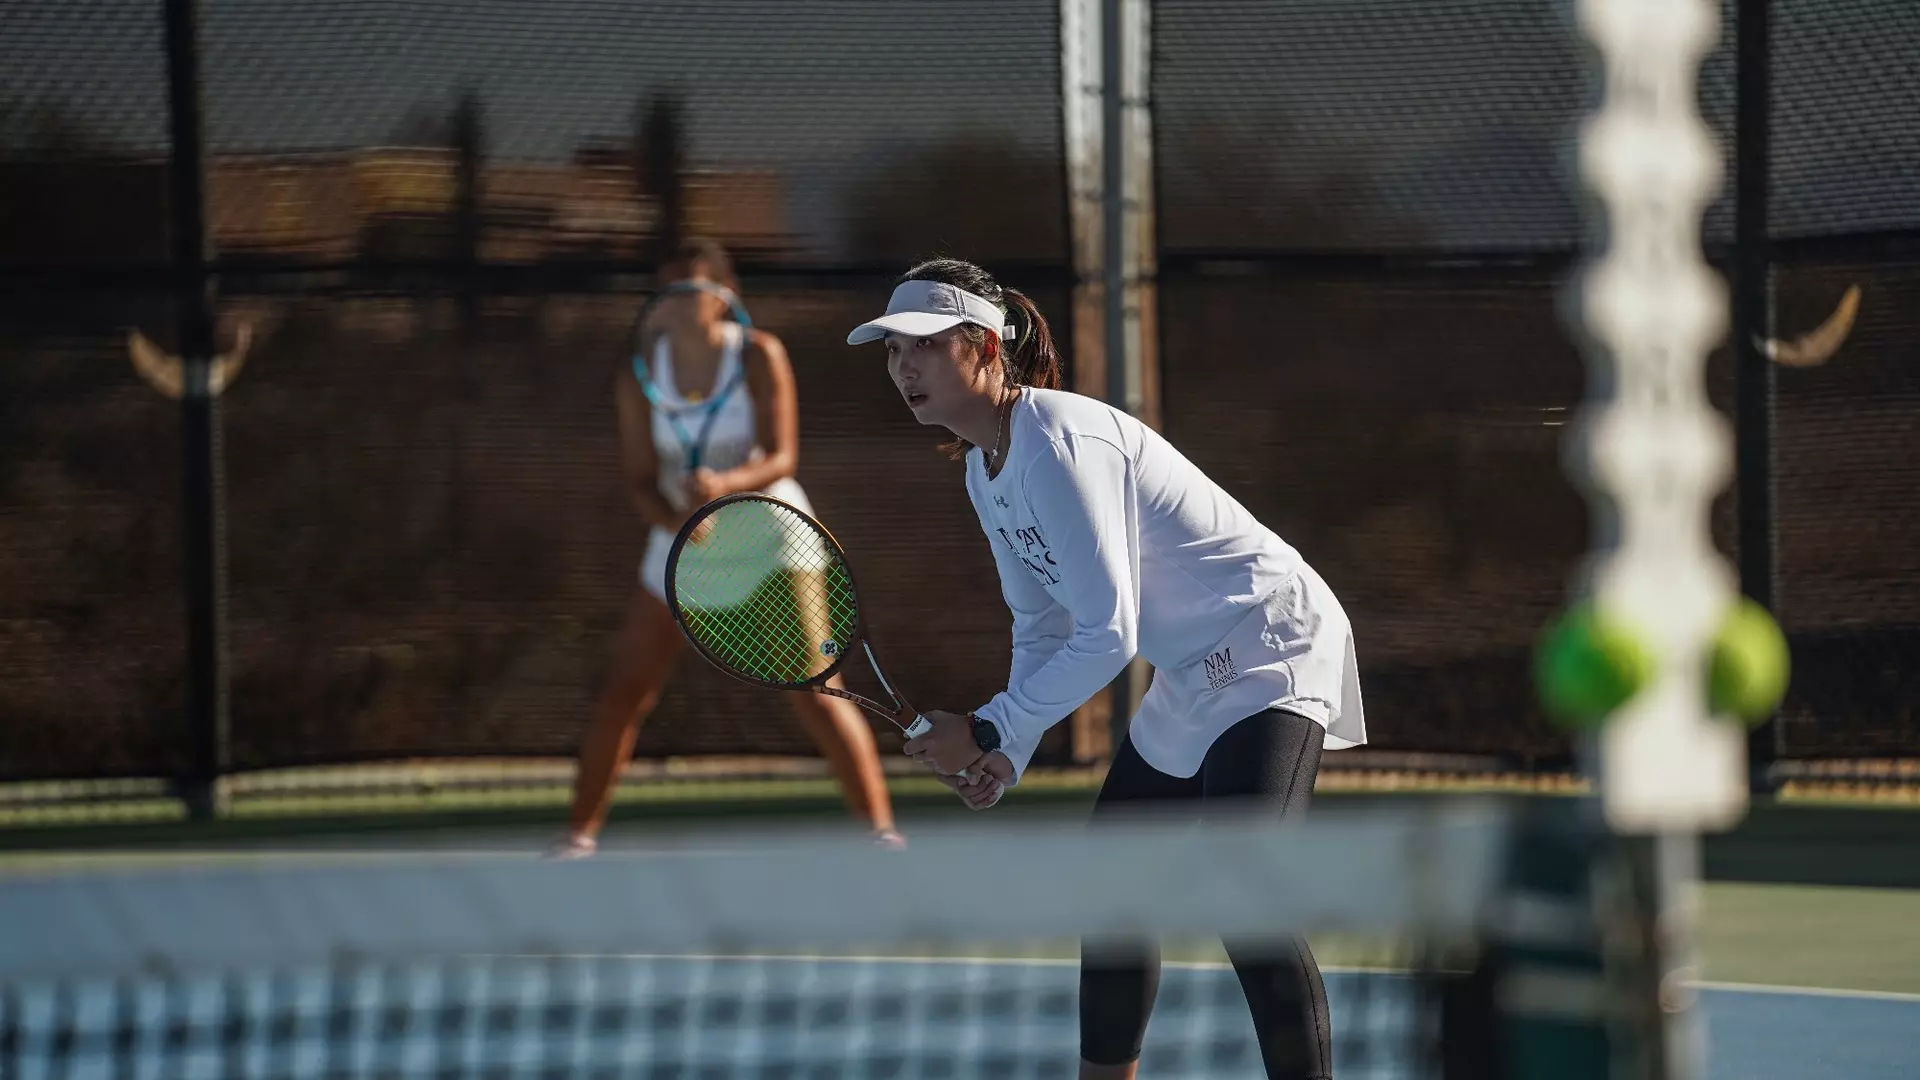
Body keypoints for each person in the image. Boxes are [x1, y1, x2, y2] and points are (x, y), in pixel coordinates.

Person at [845, 258, 1367, 1080]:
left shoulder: (1056, 441)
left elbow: (1110, 630)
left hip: (1271, 642)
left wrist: (989, 724)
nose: (902, 367)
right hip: (1194, 677)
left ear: (983, 348)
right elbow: (1042, 622)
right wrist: (1006, 754)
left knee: (1247, 899)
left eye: (924, 346)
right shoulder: (985, 469)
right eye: (891, 351)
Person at [556, 239, 903, 857]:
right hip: (681, 542)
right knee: (626, 691)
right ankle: (577, 839)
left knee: (817, 686)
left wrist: (722, 488)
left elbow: (782, 455)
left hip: (773, 535)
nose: (685, 302)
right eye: (672, 290)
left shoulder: (760, 354)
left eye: (697, 287)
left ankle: (879, 834)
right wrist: (678, 520)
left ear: (726, 298)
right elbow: (638, 479)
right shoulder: (639, 376)